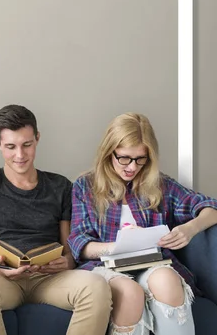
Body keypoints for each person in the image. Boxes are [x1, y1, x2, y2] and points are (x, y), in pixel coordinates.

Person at [0, 104, 112, 335]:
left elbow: (69, 247)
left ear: (37, 138)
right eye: (11, 147)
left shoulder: (60, 186)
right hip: (1, 279)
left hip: (49, 279)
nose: (20, 155)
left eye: (27, 145)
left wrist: (68, 261)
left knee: (97, 286)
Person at [68, 112, 217, 335]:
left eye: (140, 159)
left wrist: (189, 228)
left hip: (151, 264)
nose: (132, 167)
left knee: (167, 280)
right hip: (105, 267)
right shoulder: (85, 186)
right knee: (129, 293)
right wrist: (121, 245)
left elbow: (211, 207)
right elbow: (80, 243)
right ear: (109, 152)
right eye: (125, 158)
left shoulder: (159, 185)